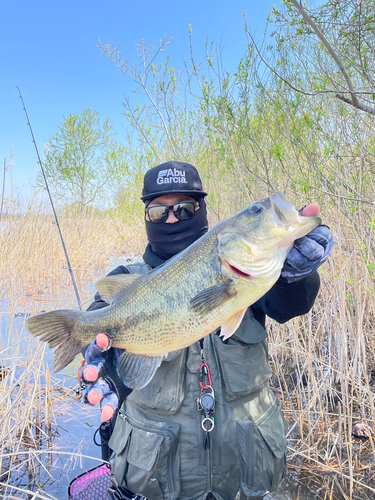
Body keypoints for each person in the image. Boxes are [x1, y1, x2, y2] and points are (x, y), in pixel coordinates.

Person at [81, 161, 334, 500]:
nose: (171, 219)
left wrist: (297, 274)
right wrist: (101, 359)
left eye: (184, 209)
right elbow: (100, 311)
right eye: (158, 211)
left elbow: (292, 304)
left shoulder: (256, 273)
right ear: (146, 216)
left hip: (245, 469)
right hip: (158, 477)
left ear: (202, 209)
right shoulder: (128, 275)